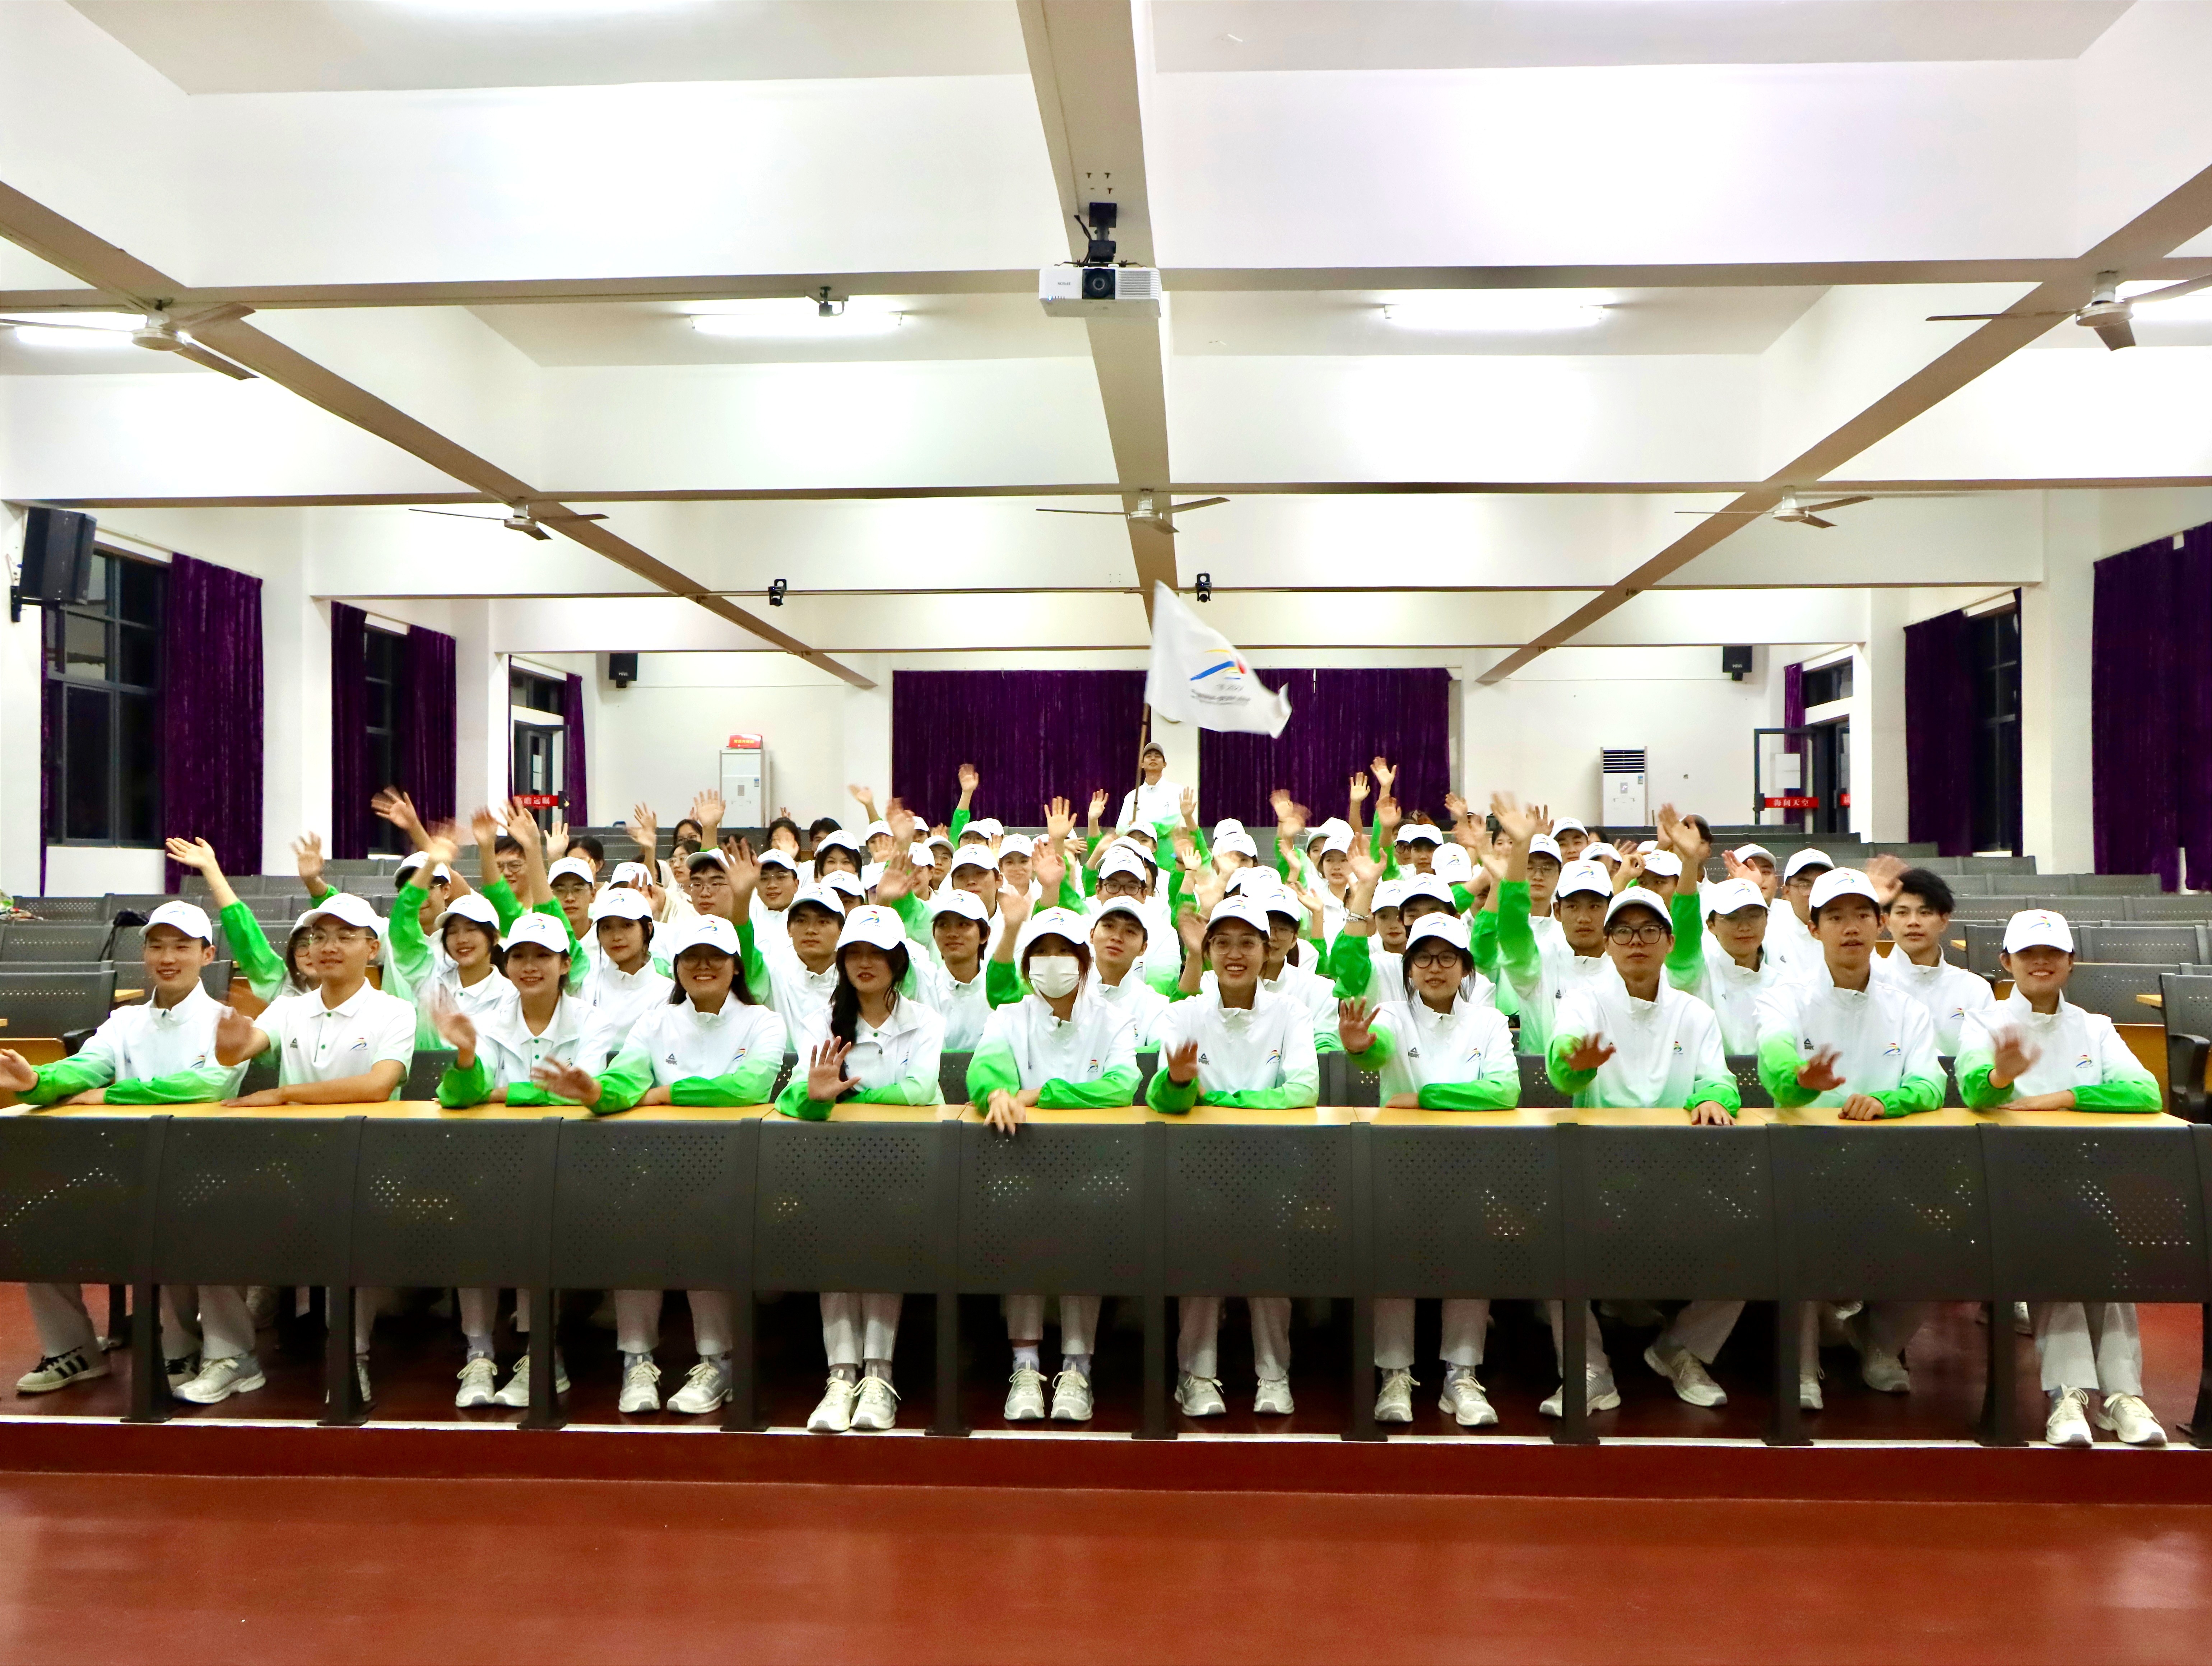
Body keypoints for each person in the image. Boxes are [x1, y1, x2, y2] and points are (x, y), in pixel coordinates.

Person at [531, 915, 788, 1417]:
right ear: (677, 967)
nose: (703, 966)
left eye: (715, 957)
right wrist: (596, 1092)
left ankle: (717, 1360)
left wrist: (665, 1093)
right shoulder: (655, 1021)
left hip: (737, 1170)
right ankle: (637, 1359)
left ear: (736, 967)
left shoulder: (763, 1021)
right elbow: (625, 1079)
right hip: (653, 1166)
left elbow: (750, 1086)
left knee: (705, 1226)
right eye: (692, 957)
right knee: (633, 1229)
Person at [0, 899, 241, 1395]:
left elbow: (209, 1084)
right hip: (124, 1168)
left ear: (207, 954)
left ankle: (181, 1348)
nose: (167, 958)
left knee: (176, 1218)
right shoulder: (124, 1021)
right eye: (157, 946)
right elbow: (85, 1068)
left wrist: (112, 1095)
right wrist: (36, 1080)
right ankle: (72, 1348)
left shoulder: (227, 1021)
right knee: (35, 1220)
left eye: (181, 946)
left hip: (201, 1171)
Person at [1954, 909, 2167, 1448]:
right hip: (2007, 1182)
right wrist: (2002, 1076)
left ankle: (2122, 1396)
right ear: (2007, 962)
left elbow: (2145, 1092)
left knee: (2099, 1246)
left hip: (2085, 1182)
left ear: (2071, 962)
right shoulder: (1984, 1023)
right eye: (2028, 953)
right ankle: (2069, 1393)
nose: (2041, 962)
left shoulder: (2095, 1027)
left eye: (2052, 953)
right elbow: (1975, 1090)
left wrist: (2060, 1098)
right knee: (2064, 1238)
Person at [196, 892, 416, 1408]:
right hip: (289, 1163)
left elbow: (377, 1086)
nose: (328, 946)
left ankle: (351, 1356)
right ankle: (231, 1354)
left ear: (373, 948)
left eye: (344, 936)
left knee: (353, 1223)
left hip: (367, 1162)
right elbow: (240, 1050)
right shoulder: (289, 1008)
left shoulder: (395, 1011)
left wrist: (285, 1094)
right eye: (319, 937)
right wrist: (230, 1041)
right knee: (205, 1215)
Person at [1547, 887, 1742, 1416]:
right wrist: (1575, 1064)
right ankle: (1589, 1369)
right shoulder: (1584, 1001)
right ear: (1608, 942)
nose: (1637, 941)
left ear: (1669, 941)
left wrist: (1712, 1098)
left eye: (1650, 930)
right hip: (1597, 1172)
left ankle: (1681, 1348)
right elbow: (1563, 1065)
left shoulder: (1694, 1012)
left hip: (1679, 1175)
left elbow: (1719, 1080)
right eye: (1624, 931)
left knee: (1754, 1239)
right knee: (1551, 1239)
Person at [1756, 867, 1944, 1408]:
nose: (1851, 927)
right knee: (1799, 1232)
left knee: (1948, 1240)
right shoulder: (1785, 997)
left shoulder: (1907, 1007)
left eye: (1862, 914)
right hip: (1804, 1164)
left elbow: (1931, 1082)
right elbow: (1774, 1061)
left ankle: (1881, 1346)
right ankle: (1802, 1364)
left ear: (1879, 923)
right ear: (1814, 929)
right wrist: (1801, 1077)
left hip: (1889, 1166)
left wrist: (1887, 1102)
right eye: (1835, 917)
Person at [430, 913, 620, 1409]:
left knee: (539, 1222)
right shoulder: (487, 1021)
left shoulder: (593, 1021)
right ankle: (479, 1352)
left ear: (565, 964)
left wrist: (503, 1092)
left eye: (542, 956)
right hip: (495, 1162)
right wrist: (466, 1058)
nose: (529, 966)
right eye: (519, 956)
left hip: (572, 1164)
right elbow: (457, 1098)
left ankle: (542, 1353)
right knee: (473, 1223)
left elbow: (581, 1093)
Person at [1337, 913, 1518, 1427]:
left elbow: (1504, 1091)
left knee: (1469, 1262)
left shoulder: (1488, 1020)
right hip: (1397, 1166)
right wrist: (1358, 1045)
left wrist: (1425, 1097)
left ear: (1465, 967)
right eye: (1423, 958)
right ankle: (1394, 1373)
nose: (1434, 968)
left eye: (1446, 958)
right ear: (1409, 968)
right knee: (1394, 1262)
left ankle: (1461, 1374)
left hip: (1471, 1168)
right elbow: (1375, 1048)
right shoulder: (1391, 1015)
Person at [773, 905, 947, 1433]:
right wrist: (816, 1096)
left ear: (898, 962)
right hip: (833, 1166)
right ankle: (841, 1373)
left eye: (877, 953)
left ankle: (878, 1372)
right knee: (837, 1236)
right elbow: (794, 1098)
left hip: (908, 1167)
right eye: (855, 954)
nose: (865, 963)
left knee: (882, 1231)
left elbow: (919, 1092)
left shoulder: (925, 1020)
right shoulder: (820, 1021)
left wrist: (842, 1099)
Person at [1148, 897, 1321, 1419]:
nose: (1235, 954)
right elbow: (1164, 1098)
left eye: (1247, 942)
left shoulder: (1291, 1012)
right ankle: (1196, 1374)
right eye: (1222, 942)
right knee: (1200, 1253)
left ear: (1268, 951)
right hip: (1196, 1168)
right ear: (1207, 950)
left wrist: (1218, 1100)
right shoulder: (1182, 1013)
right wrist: (1180, 1084)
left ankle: (1274, 1372)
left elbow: (1304, 1090)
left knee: (1269, 1255)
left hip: (1273, 1167)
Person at [967, 906, 1141, 1423]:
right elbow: (986, 1067)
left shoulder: (1112, 1018)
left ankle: (1076, 1365)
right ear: (1026, 965)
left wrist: (1043, 1093)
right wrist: (996, 1091)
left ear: (1084, 960)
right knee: (1019, 1216)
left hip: (1095, 1167)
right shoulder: (1009, 1015)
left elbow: (1120, 1086)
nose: (1052, 961)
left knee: (1087, 1220)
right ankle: (1024, 1363)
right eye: (1040, 952)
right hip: (1020, 1162)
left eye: (1063, 951)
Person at [1866, 858, 1994, 1056]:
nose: (1913, 922)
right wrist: (1869, 900)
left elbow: (1983, 1057)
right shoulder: (1869, 979)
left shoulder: (1974, 989)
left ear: (1944, 921)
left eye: (1925, 913)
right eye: (1902, 913)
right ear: (1887, 921)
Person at [581, 885, 674, 1040]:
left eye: (627, 925)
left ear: (648, 929)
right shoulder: (587, 978)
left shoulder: (666, 993)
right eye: (607, 928)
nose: (617, 937)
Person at [1765, 849, 1829, 979]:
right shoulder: (1768, 932)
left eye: (1823, 884)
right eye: (1805, 885)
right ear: (1787, 892)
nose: (1815, 893)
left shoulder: (1849, 932)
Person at [1115, 741, 1185, 834]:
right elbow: (1121, 829)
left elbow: (1172, 823)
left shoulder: (1177, 791)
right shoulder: (1131, 796)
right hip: (1137, 843)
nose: (1153, 759)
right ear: (1142, 765)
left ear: (1165, 764)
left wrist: (1140, 827)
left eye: (1158, 756)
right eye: (1149, 756)